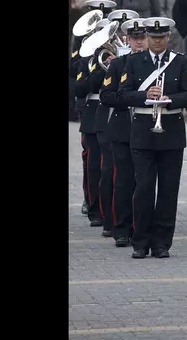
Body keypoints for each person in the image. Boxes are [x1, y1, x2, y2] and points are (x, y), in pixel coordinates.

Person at [117, 17, 187, 258]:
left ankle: (162, 242)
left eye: (161, 37)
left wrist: (170, 99)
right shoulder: (133, 62)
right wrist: (145, 95)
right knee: (143, 189)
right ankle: (140, 241)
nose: (157, 41)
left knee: (168, 190)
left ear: (168, 38)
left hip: (171, 130)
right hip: (142, 130)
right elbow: (122, 95)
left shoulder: (180, 62)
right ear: (147, 38)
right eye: (153, 37)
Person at [99, 17, 148, 247]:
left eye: (142, 38)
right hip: (122, 129)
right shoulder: (118, 65)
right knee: (123, 181)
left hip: (148, 130)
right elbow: (106, 96)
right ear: (127, 40)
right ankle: (121, 228)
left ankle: (143, 227)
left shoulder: (157, 65)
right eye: (135, 38)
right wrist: (138, 97)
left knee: (145, 182)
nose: (139, 43)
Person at [74, 18, 114, 228]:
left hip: (117, 113)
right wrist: (101, 70)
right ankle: (94, 208)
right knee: (94, 166)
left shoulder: (125, 56)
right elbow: (80, 89)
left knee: (114, 167)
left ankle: (111, 209)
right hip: (93, 112)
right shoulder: (88, 59)